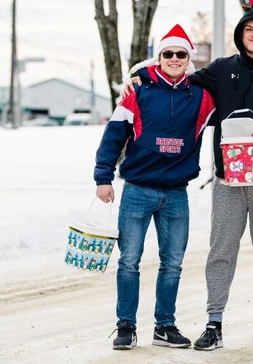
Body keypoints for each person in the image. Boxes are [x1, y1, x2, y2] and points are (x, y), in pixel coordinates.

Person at [123, 0, 253, 350]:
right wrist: (139, 75)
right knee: (220, 250)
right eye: (248, 29)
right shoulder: (223, 69)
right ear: (240, 34)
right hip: (228, 179)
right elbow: (177, 73)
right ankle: (214, 323)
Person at [94, 24, 215, 351]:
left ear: (188, 60)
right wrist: (102, 177)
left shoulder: (203, 97)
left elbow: (236, 98)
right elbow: (113, 136)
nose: (174, 59)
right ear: (158, 58)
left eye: (180, 54)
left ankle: (165, 326)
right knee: (129, 261)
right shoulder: (138, 93)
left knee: (173, 263)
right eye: (168, 54)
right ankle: (125, 326)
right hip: (137, 190)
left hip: (177, 193)